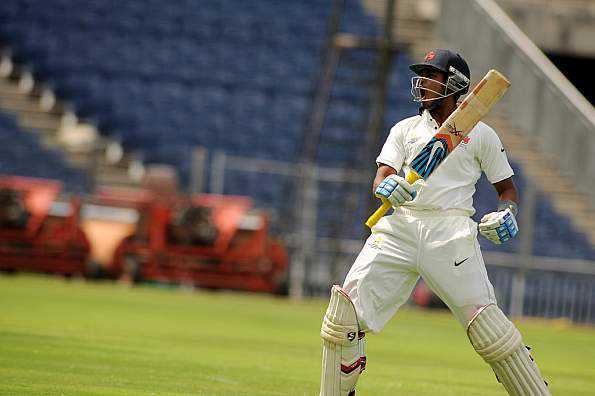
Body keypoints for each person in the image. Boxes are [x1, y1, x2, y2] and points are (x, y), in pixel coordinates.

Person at [319, 49, 550, 396]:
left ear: (455, 83)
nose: (423, 82)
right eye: (422, 75)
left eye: (432, 75)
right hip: (400, 227)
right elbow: (383, 173)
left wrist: (507, 213)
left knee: (490, 330)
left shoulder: (482, 134)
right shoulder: (405, 129)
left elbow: (508, 190)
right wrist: (386, 186)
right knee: (342, 318)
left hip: (451, 231)